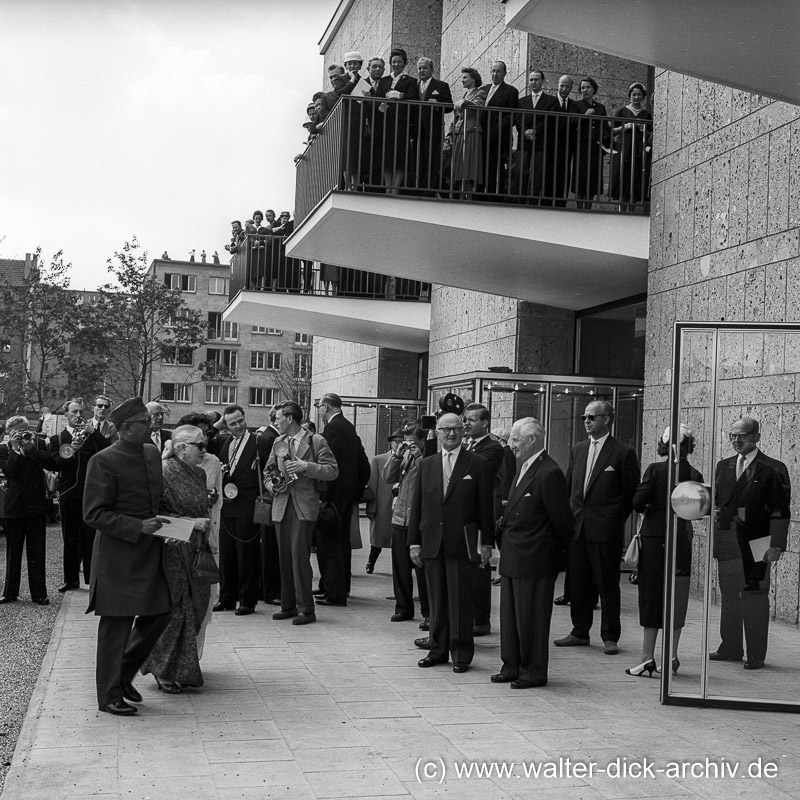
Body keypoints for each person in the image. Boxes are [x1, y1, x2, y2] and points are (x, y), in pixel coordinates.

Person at [83, 397, 171, 716]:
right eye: (145, 423)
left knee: (161, 611)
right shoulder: (103, 461)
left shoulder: (150, 452)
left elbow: (155, 497)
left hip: (149, 551)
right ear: (126, 429)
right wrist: (138, 525)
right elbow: (93, 514)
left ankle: (121, 676)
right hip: (118, 555)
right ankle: (108, 696)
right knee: (116, 626)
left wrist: (173, 523)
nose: (151, 425)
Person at [408, 413, 494, 673]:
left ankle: (461, 654)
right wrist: (414, 542)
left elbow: (485, 508)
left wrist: (487, 543)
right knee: (436, 599)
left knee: (461, 601)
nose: (451, 434)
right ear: (437, 432)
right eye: (446, 430)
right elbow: (417, 507)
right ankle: (437, 650)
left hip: (463, 543)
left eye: (456, 429)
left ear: (463, 432)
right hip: (432, 541)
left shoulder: (477, 463)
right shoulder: (427, 464)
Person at [492, 417, 573, 688]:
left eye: (516, 439)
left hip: (535, 558)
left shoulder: (549, 472)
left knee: (531, 619)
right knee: (511, 617)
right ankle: (511, 665)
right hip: (514, 555)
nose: (511, 444)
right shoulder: (522, 466)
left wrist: (553, 555)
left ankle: (533, 671)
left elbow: (561, 520)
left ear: (532, 440)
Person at [554, 400, 640, 655]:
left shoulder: (622, 452)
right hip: (578, 528)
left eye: (592, 417)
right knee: (578, 583)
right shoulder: (578, 449)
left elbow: (630, 494)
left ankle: (610, 635)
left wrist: (612, 519)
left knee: (607, 584)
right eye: (584, 417)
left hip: (605, 530)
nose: (586, 421)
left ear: (607, 419)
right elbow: (570, 487)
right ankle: (579, 631)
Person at [710, 417, 790, 670]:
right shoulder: (723, 466)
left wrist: (776, 544)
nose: (736, 440)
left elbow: (780, 509)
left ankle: (756, 654)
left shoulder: (773, 467)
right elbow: (717, 503)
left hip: (758, 541)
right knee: (729, 596)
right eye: (732, 435)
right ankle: (730, 647)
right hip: (728, 540)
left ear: (756, 436)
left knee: (754, 596)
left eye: (742, 435)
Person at [627, 425, 703, 678]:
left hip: (654, 541)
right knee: (676, 597)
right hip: (681, 540)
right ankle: (671, 656)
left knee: (651, 597)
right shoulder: (694, 473)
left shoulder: (656, 470)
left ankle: (647, 657)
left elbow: (638, 502)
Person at [140, 426, 212, 693]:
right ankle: (162, 669)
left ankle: (183, 667)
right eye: (199, 446)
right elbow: (155, 517)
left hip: (197, 549)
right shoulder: (163, 473)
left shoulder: (199, 473)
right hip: (172, 551)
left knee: (197, 607)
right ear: (182, 447)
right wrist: (191, 523)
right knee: (175, 611)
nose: (204, 451)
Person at [267, 402, 338, 626]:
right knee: (284, 558)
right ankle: (287, 605)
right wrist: (271, 485)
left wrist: (306, 466)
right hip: (281, 504)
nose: (275, 422)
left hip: (304, 506)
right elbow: (268, 470)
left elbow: (332, 471)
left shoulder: (316, 441)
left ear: (290, 418)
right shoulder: (278, 442)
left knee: (299, 558)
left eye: (278, 418)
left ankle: (306, 609)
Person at [215, 405, 272, 616]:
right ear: (226, 426)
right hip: (227, 505)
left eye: (240, 421)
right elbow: (204, 439)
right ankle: (227, 597)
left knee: (247, 555)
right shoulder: (223, 441)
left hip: (248, 505)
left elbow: (268, 470)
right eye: (232, 423)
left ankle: (247, 600)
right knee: (227, 554)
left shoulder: (260, 441)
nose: (238, 426)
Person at [47, 398, 109, 592]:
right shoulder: (59, 438)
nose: (78, 416)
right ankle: (71, 579)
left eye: (81, 412)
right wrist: (72, 450)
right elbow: (55, 463)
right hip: (68, 494)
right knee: (70, 539)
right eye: (74, 412)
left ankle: (92, 581)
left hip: (90, 493)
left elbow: (108, 450)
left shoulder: (90, 435)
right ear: (66, 415)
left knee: (90, 537)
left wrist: (94, 432)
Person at [316, 393, 370, 605]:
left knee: (330, 544)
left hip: (335, 497)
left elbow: (330, 467)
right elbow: (363, 464)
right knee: (341, 542)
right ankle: (337, 587)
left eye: (320, 407)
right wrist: (355, 491)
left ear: (327, 406)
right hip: (346, 496)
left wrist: (325, 496)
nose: (319, 411)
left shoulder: (333, 428)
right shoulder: (348, 426)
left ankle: (334, 591)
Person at [177, 412, 222, 656]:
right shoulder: (168, 470)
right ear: (182, 446)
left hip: (205, 544)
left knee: (204, 603)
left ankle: (194, 657)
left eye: (207, 436)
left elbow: (216, 503)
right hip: (178, 549)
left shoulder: (210, 464)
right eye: (199, 441)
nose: (205, 445)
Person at [463, 403, 505, 637]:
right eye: (465, 419)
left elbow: (475, 472)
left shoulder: (492, 447)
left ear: (485, 423)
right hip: (463, 515)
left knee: (480, 568)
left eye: (471, 420)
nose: (466, 423)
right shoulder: (467, 445)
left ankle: (481, 620)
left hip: (480, 517)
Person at [0, 416, 51, 605]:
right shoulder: (4, 449)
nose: (22, 434)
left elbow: (50, 463)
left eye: (24, 430)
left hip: (35, 505)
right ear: (9, 433)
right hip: (14, 507)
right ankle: (10, 592)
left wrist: (30, 448)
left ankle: (39, 593)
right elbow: (10, 471)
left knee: (37, 552)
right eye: (18, 431)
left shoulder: (37, 444)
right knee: (13, 552)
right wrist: (14, 449)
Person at [383, 425, 430, 626]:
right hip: (400, 517)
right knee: (400, 568)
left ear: (422, 442)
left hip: (418, 520)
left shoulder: (427, 459)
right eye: (406, 441)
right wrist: (395, 456)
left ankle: (429, 612)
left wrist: (420, 456)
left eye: (413, 442)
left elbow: (427, 478)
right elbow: (388, 477)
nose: (408, 445)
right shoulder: (403, 457)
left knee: (422, 569)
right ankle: (403, 607)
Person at [508, 70, 559, 201]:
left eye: (536, 79)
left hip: (541, 142)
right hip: (524, 141)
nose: (533, 82)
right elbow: (518, 119)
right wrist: (525, 131)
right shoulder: (522, 101)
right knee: (521, 171)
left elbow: (550, 120)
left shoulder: (551, 101)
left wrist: (535, 131)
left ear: (543, 81)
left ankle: (534, 200)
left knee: (537, 173)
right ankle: (520, 199)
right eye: (531, 80)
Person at [372, 48, 417, 194]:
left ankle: (395, 187)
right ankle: (387, 187)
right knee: (386, 156)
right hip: (386, 123)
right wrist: (381, 106)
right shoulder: (384, 81)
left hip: (401, 123)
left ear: (405, 63)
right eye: (394, 62)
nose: (396, 64)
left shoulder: (411, 81)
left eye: (399, 62)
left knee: (400, 156)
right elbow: (378, 98)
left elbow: (414, 99)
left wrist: (401, 95)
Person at [609, 82, 653, 211]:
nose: (636, 97)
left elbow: (651, 133)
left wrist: (644, 130)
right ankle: (621, 210)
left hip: (638, 150)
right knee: (623, 178)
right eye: (634, 94)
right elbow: (611, 131)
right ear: (630, 96)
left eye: (639, 95)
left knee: (636, 178)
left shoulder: (646, 114)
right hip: (624, 149)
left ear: (643, 97)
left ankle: (632, 209)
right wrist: (625, 126)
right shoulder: (622, 111)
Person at [412, 57, 453, 193]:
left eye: (425, 68)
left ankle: (429, 190)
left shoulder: (441, 86)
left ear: (432, 69)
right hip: (417, 130)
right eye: (419, 68)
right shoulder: (415, 86)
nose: (421, 71)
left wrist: (437, 105)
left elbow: (449, 106)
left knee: (433, 160)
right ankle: (418, 189)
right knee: (419, 160)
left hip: (433, 130)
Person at [447, 67, 487, 199]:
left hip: (471, 131)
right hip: (460, 132)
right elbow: (456, 117)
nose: (462, 80)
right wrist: (449, 135)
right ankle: (461, 197)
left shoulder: (479, 92)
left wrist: (465, 102)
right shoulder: (464, 95)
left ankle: (468, 198)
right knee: (460, 168)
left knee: (468, 168)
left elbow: (480, 105)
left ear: (473, 79)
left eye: (465, 77)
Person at [480, 61, 519, 196]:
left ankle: (494, 196)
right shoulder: (483, 89)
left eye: (498, 71)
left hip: (498, 137)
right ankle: (479, 194)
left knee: (495, 168)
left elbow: (512, 115)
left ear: (504, 73)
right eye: (493, 71)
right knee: (481, 166)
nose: (494, 74)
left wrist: (497, 128)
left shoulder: (510, 91)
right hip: (481, 134)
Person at [364, 431, 400, 574]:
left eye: (402, 440)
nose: (399, 443)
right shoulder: (379, 459)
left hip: (399, 506)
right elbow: (372, 485)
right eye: (396, 441)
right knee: (377, 539)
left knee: (398, 542)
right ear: (390, 443)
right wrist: (371, 508)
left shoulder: (409, 458)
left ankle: (399, 568)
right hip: (382, 505)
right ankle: (370, 562)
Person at [257, 407, 282, 606]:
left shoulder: (267, 436)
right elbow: (270, 470)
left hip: (268, 497)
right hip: (271, 498)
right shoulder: (271, 438)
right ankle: (271, 590)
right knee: (271, 547)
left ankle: (267, 588)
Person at [572, 77, 608, 209]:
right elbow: (573, 123)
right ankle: (580, 207)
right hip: (581, 146)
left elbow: (605, 127)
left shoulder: (600, 107)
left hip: (595, 147)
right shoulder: (576, 105)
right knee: (580, 178)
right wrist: (585, 116)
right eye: (582, 88)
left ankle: (588, 207)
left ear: (593, 89)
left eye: (587, 87)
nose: (585, 90)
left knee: (593, 178)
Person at [552, 75, 581, 207]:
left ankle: (561, 202)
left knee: (564, 175)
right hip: (551, 144)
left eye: (567, 86)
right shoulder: (551, 102)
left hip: (567, 146)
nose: (564, 89)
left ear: (571, 88)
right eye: (562, 85)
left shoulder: (574, 105)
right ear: (557, 85)